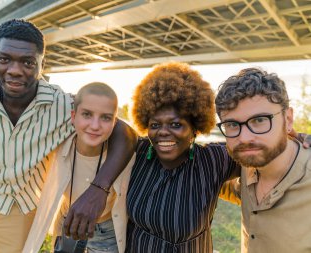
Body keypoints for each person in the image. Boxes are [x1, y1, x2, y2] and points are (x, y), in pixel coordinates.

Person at [0, 19, 135, 253]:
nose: (15, 70)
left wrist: (98, 190)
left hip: (23, 208)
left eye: (28, 62)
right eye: (4, 59)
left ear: (41, 64)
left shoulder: (60, 104)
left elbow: (124, 132)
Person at [125, 62, 241, 253]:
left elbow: (258, 149)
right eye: (155, 125)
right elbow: (112, 129)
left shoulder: (213, 161)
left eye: (175, 124)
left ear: (195, 128)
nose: (163, 132)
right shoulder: (137, 153)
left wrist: (295, 139)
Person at [23, 82, 135, 253]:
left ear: (115, 122)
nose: (95, 125)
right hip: (68, 223)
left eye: (105, 118)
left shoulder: (124, 155)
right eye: (87, 115)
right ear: (73, 116)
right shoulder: (57, 143)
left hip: (106, 231)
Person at [216, 68, 311, 253]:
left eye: (259, 120)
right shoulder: (247, 168)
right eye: (232, 125)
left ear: (288, 119)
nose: (244, 138)